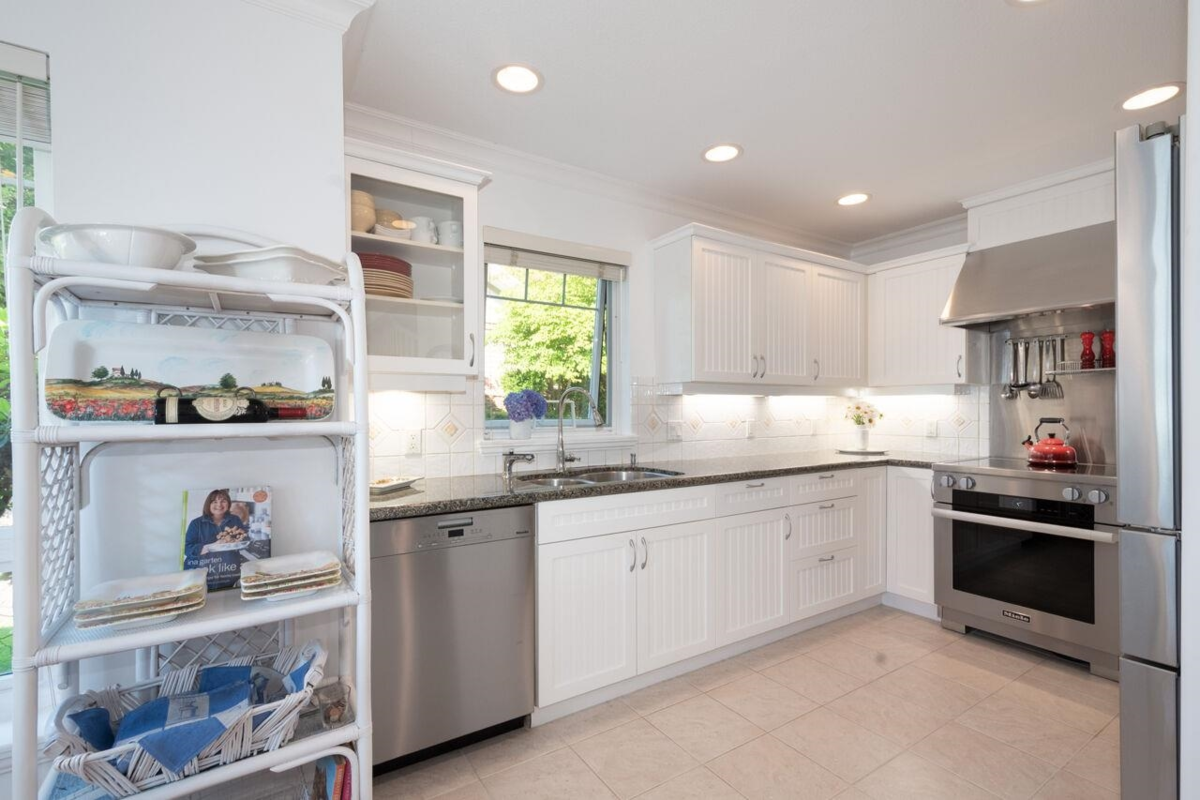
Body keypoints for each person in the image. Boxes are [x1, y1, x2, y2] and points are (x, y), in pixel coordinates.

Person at [184, 490, 249, 577]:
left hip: (228, 570)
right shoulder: (196, 523)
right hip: (201, 572)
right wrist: (213, 546)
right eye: (215, 502)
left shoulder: (235, 519)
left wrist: (239, 540)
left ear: (228, 504)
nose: (219, 505)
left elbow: (243, 537)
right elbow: (186, 548)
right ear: (208, 504)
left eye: (223, 501)